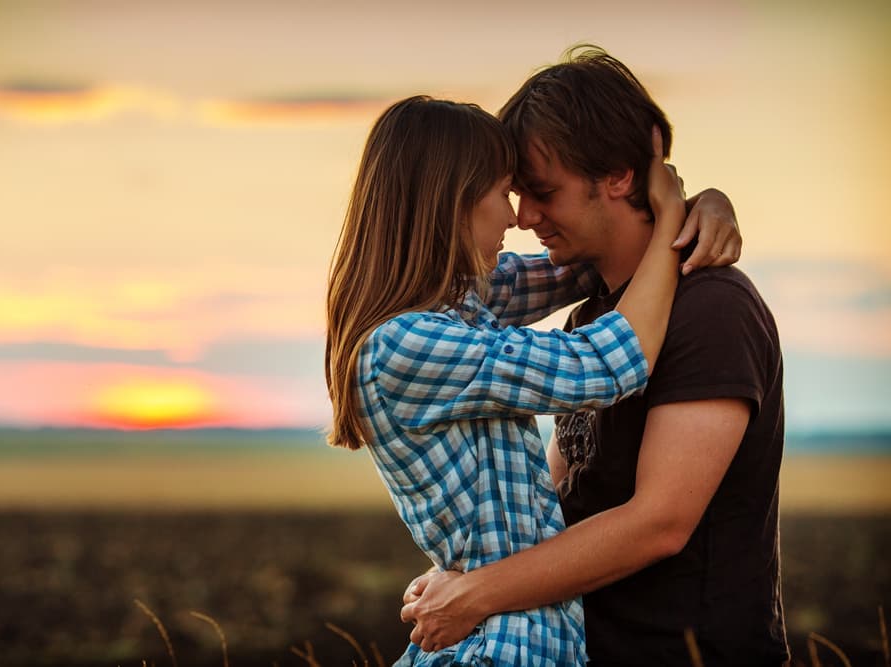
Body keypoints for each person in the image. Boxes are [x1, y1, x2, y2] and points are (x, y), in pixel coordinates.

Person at [400, 47, 788, 666]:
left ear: (620, 176)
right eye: (517, 194)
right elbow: (553, 496)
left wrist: (476, 593)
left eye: (544, 193)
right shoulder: (595, 317)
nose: (525, 218)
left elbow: (659, 523)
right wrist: (452, 573)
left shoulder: (713, 308)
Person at [325, 94, 741, 665]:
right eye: (504, 193)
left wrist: (704, 205)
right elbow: (603, 364)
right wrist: (670, 216)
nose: (516, 216)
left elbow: (581, 262)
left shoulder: (460, 306)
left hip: (517, 637)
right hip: (497, 648)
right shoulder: (410, 342)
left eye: (531, 194)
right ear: (453, 204)